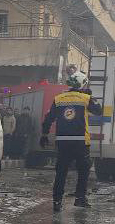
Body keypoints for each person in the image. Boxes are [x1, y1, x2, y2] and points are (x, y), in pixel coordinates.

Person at [40, 69, 101, 211]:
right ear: (83, 84)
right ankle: (80, 198)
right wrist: (90, 97)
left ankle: (56, 201)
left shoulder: (59, 98)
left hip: (62, 142)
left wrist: (44, 135)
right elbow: (98, 110)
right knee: (83, 170)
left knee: (61, 172)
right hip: (80, 142)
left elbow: (48, 119)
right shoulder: (85, 98)